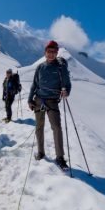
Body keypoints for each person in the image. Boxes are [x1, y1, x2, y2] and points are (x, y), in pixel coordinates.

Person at [28, 40, 71, 170]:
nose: (51, 54)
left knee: (56, 128)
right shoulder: (40, 67)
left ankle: (60, 157)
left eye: (53, 52)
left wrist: (66, 91)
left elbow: (67, 83)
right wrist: (30, 99)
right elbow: (34, 84)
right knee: (39, 127)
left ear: (57, 53)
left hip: (52, 101)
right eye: (49, 51)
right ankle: (41, 152)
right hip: (39, 100)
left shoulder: (60, 67)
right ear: (45, 53)